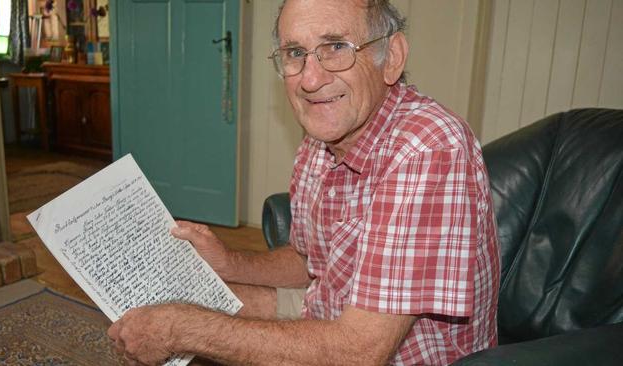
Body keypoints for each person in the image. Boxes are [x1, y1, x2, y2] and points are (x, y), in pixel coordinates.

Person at [107, 0, 500, 365]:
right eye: (295, 53)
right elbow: (307, 260)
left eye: (335, 47)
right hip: (329, 313)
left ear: (391, 57)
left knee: (188, 321)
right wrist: (228, 263)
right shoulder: (322, 138)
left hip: (387, 352)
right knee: (182, 297)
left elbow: (360, 352)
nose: (310, 80)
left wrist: (183, 330)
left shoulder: (428, 148)